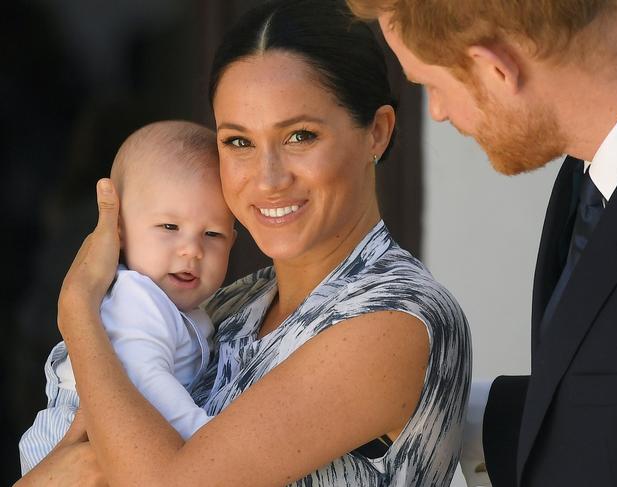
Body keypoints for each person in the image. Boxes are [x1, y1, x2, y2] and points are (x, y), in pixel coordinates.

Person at [15, 1, 471, 486]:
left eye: (300, 136)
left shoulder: (395, 319)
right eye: (238, 142)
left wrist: (78, 310)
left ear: (376, 133)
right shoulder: (234, 304)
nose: (268, 178)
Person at [346, 0, 617, 486]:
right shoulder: (589, 174)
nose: (439, 113)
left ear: (495, 69)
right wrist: (437, 409)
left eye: (430, 85)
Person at [18, 120, 236, 474]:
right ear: (118, 231)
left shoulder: (187, 309)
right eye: (170, 227)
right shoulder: (137, 298)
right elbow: (146, 379)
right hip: (73, 440)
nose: (192, 250)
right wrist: (204, 437)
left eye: (213, 234)